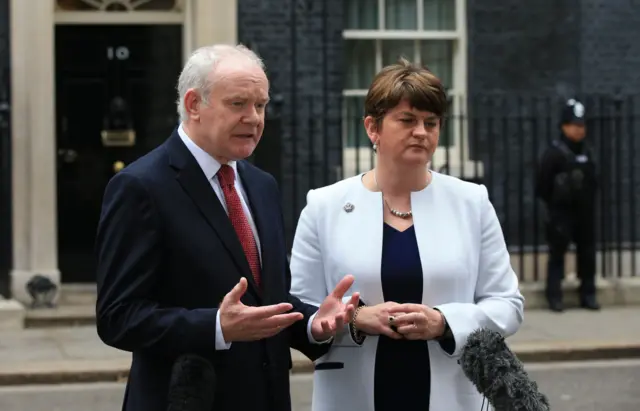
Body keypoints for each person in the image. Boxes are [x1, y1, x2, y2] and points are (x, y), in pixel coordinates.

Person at [94, 44, 359, 411]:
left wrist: (314, 322)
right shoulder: (141, 187)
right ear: (193, 105)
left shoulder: (262, 185)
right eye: (238, 104)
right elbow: (118, 317)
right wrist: (216, 326)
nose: (254, 118)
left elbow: (266, 301)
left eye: (261, 105)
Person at [289, 58, 525, 411]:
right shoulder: (324, 206)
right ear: (373, 128)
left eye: (431, 122)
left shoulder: (471, 202)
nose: (422, 131)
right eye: (407, 120)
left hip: (452, 396)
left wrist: (444, 321)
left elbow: (507, 304)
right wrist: (352, 319)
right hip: (353, 395)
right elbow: (299, 311)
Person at [535, 98, 600, 312]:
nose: (580, 130)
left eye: (582, 125)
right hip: (561, 212)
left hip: (585, 211)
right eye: (575, 125)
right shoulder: (554, 153)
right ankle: (554, 295)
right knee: (557, 254)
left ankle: (588, 294)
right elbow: (542, 185)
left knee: (588, 254)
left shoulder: (588, 151)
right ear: (564, 126)